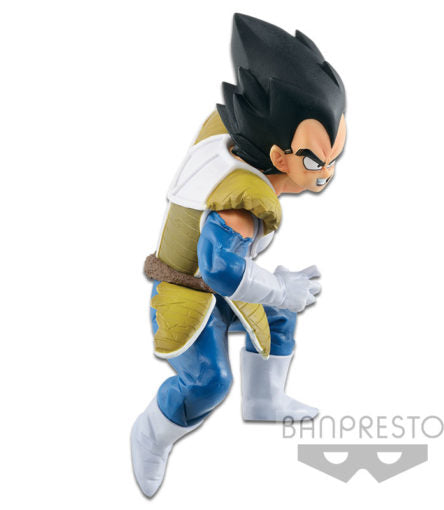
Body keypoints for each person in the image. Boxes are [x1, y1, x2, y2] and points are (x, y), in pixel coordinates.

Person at [131, 13, 346, 497]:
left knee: (279, 319)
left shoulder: (228, 137)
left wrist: (278, 295)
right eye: (316, 159)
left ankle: (264, 399)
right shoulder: (242, 204)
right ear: (278, 156)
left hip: (219, 287)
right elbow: (218, 269)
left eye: (336, 152)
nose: (327, 172)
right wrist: (280, 287)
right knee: (209, 381)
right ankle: (151, 432)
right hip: (185, 296)